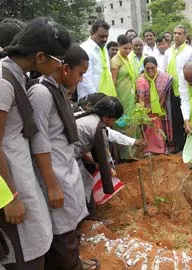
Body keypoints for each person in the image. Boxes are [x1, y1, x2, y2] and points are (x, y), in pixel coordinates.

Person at [0, 17, 69, 270]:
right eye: (58, 60)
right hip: (10, 182)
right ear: (40, 57)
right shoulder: (3, 81)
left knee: (36, 243)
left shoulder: (17, 75)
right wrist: (9, 198)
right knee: (23, 254)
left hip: (20, 173)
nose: (60, 66)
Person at [27, 44, 102, 270]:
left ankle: (75, 262)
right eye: (80, 74)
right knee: (62, 234)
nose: (81, 80)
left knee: (72, 226)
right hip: (55, 175)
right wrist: (51, 185)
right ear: (66, 69)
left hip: (66, 169)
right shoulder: (40, 93)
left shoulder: (58, 89)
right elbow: (38, 141)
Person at [75, 96, 144, 218]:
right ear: (106, 117)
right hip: (68, 159)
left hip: (71, 156)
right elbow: (104, 154)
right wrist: (109, 170)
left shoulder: (86, 116)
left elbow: (109, 135)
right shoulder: (97, 127)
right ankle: (90, 220)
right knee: (84, 188)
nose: (113, 124)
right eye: (113, 120)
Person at [165, 25, 192, 153]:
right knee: (175, 118)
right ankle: (179, 145)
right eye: (175, 33)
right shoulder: (168, 52)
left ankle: (191, 145)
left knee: (187, 117)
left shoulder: (190, 51)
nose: (177, 35)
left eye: (180, 33)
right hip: (172, 90)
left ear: (185, 36)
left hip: (186, 90)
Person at [136, 57, 173, 154]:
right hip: (147, 111)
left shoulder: (163, 77)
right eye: (147, 68)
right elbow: (141, 99)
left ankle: (161, 149)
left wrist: (158, 108)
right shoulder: (141, 80)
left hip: (160, 109)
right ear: (144, 68)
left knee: (159, 131)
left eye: (152, 67)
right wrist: (143, 115)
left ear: (157, 67)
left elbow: (164, 95)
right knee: (151, 130)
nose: (150, 70)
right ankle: (149, 149)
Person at [111, 34, 139, 160]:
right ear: (119, 46)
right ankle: (124, 155)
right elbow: (113, 81)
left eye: (129, 48)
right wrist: (115, 98)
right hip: (121, 96)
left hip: (130, 96)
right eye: (125, 48)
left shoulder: (129, 59)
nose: (128, 51)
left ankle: (133, 152)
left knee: (132, 122)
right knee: (122, 123)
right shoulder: (115, 61)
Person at [77, 19, 115, 100]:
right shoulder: (86, 49)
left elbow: (107, 72)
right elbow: (85, 79)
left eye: (106, 36)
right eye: (101, 36)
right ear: (92, 33)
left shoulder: (103, 48)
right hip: (90, 98)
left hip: (104, 97)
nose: (105, 39)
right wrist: (97, 98)